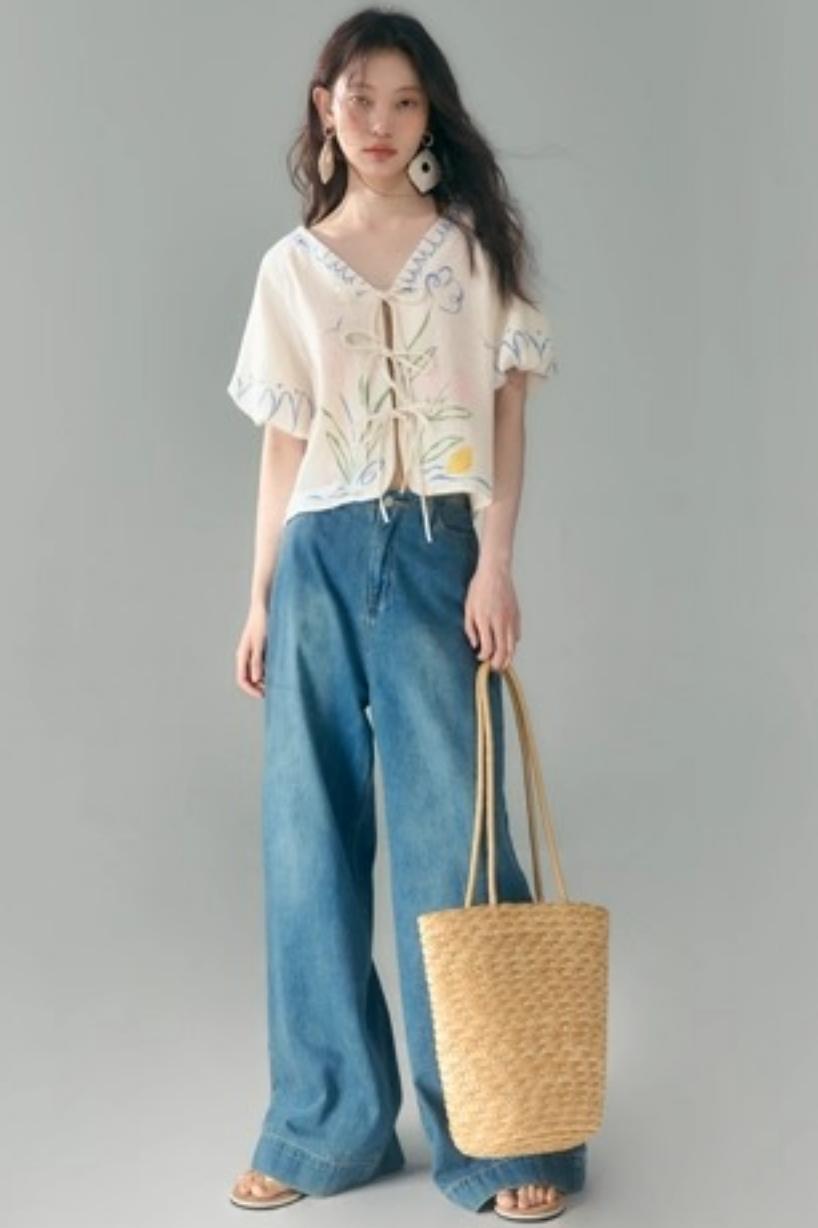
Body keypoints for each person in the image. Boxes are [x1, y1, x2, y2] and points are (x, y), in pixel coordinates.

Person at [226, 7, 586, 1220]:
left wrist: (495, 563)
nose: (378, 122)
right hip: (317, 557)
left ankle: (498, 1134)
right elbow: (283, 445)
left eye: (403, 101)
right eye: (358, 98)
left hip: (438, 549)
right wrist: (257, 597)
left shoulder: (469, 253)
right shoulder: (289, 268)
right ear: (323, 108)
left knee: (456, 837)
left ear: (430, 117)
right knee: (305, 841)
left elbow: (506, 417)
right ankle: (325, 1126)